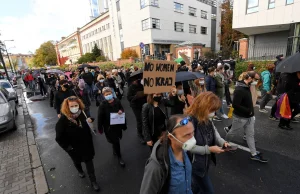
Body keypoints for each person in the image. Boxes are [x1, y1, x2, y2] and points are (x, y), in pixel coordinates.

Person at [185, 92, 229, 193]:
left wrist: (223, 142)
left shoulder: (206, 118)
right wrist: (208, 149)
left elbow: (214, 132)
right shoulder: (191, 122)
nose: (213, 113)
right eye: (211, 110)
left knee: (197, 186)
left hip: (204, 162)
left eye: (214, 110)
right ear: (203, 107)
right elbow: (187, 146)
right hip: (195, 164)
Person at [139, 114, 195, 194]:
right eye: (187, 135)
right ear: (171, 137)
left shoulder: (186, 151)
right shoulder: (156, 167)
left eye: (193, 133)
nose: (192, 138)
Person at [55, 97, 100, 192]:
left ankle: (93, 181)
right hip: (73, 147)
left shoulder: (82, 113)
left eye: (76, 105)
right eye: (72, 106)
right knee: (77, 161)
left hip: (86, 144)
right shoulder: (63, 120)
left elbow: (87, 121)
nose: (74, 108)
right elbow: (59, 138)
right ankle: (80, 170)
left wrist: (90, 120)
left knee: (89, 162)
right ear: (67, 107)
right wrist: (68, 148)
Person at [224, 72, 268, 163]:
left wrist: (251, 113)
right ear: (249, 78)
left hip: (249, 117)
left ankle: (254, 154)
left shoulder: (246, 87)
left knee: (250, 135)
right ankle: (225, 144)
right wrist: (248, 110)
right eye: (255, 79)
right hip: (240, 117)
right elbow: (235, 104)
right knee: (232, 132)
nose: (255, 82)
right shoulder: (239, 89)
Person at [97, 87, 127, 167]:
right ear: (104, 96)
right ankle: (119, 157)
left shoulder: (117, 101)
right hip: (109, 127)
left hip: (118, 125)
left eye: (110, 94)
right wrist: (100, 128)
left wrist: (121, 111)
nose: (109, 95)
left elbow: (122, 109)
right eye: (107, 95)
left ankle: (115, 149)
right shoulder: (102, 105)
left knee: (117, 139)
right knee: (116, 141)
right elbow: (100, 117)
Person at [127, 78, 147, 144]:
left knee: (145, 119)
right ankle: (140, 134)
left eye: (137, 80)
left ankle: (146, 133)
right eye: (134, 80)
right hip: (135, 106)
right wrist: (136, 96)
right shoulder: (131, 88)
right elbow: (129, 98)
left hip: (143, 104)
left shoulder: (141, 86)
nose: (136, 81)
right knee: (139, 120)